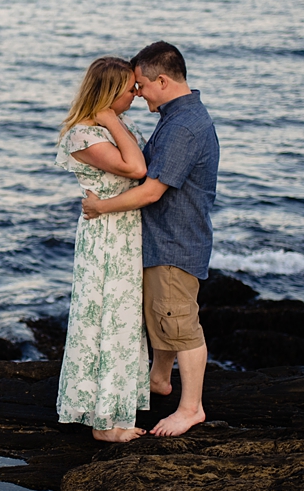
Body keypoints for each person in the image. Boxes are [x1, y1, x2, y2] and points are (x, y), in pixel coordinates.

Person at [82, 41, 219, 437]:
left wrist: (100, 208)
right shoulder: (179, 116)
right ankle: (159, 379)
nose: (137, 92)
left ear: (162, 79)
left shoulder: (183, 126)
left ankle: (190, 409)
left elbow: (153, 190)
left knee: (180, 325)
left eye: (140, 84)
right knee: (163, 317)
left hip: (174, 244)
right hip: (170, 238)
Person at [54, 56, 151, 442]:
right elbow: (136, 169)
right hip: (107, 236)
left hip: (126, 231)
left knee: (124, 322)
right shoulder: (84, 135)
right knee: (105, 321)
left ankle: (115, 410)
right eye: (130, 89)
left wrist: (115, 120)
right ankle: (104, 423)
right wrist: (110, 118)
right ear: (110, 95)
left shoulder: (118, 126)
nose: (137, 93)